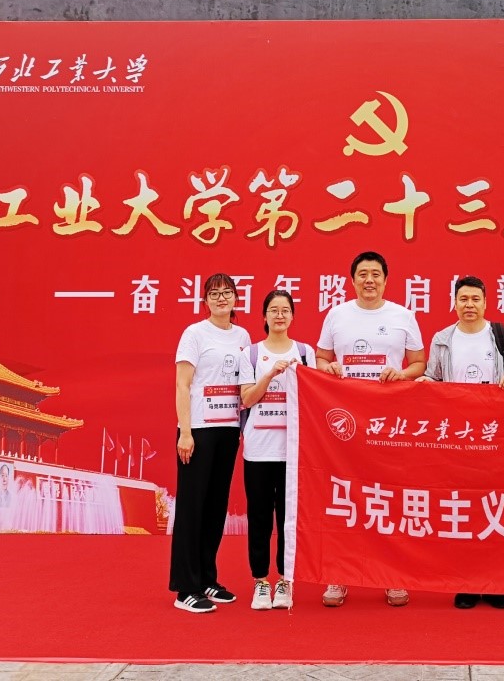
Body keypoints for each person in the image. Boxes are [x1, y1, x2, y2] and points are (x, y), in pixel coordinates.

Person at [315, 250, 426, 607]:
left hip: (387, 421)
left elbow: (419, 363)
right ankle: (339, 574)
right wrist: (328, 368)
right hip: (345, 422)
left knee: (388, 495)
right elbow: (321, 357)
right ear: (352, 280)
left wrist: (401, 374)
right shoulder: (337, 314)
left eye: (376, 274)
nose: (369, 280)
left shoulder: (403, 316)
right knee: (344, 495)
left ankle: (392, 575)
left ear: (386, 280)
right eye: (362, 274)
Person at [423, 275, 504, 610]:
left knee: (497, 507)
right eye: (463, 299)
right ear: (454, 303)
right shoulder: (443, 339)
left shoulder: (502, 335)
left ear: (486, 303)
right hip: (457, 437)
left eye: (475, 299)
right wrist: (422, 383)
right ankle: (467, 581)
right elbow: (431, 377)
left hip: (496, 436)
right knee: (464, 508)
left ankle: (497, 581)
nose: (469, 305)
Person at [170, 273, 250, 614]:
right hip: (199, 431)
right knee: (192, 507)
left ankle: (206, 579)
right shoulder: (194, 334)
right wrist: (185, 432)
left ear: (236, 299)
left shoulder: (243, 336)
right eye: (214, 293)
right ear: (205, 301)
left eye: (226, 292)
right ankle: (185, 588)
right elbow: (182, 384)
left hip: (228, 430)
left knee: (216, 507)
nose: (221, 298)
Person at [239, 289, 315, 612]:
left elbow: (316, 397)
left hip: (293, 452)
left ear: (293, 316)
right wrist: (270, 374)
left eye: (285, 310)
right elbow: (246, 399)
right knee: (259, 517)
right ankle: (260, 581)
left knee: (288, 519)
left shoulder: (305, 352)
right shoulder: (251, 354)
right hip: (259, 450)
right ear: (265, 316)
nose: (280, 315)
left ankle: (286, 580)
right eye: (274, 310)